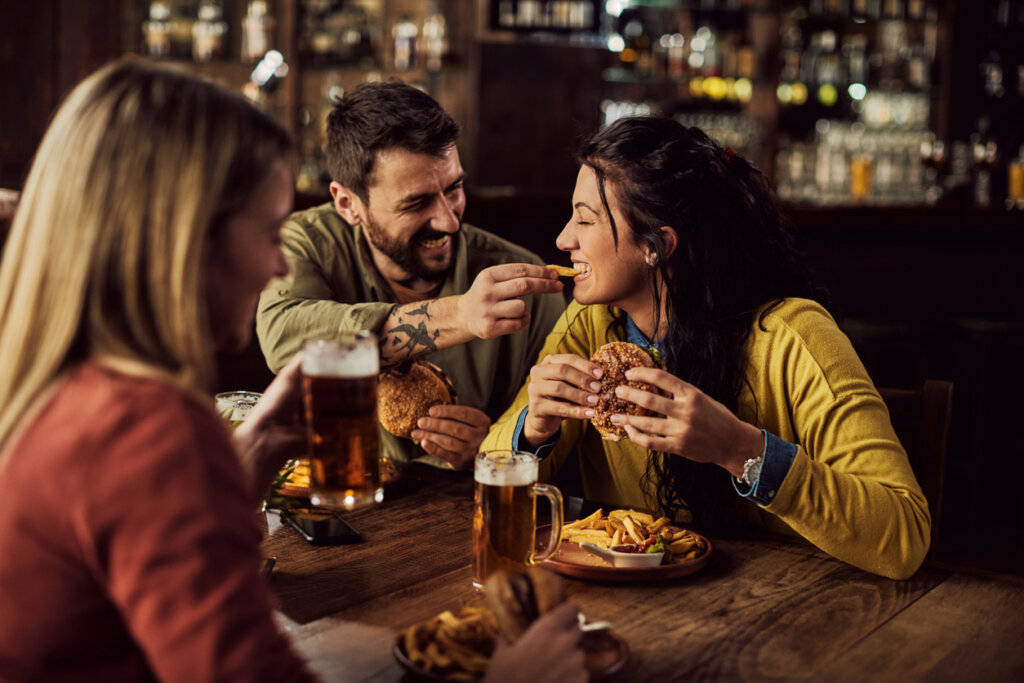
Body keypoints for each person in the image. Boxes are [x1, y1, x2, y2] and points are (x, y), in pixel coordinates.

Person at [0, 59, 586, 683]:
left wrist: (248, 461)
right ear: (186, 241)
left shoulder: (55, 391)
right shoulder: (149, 430)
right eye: (264, 230)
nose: (275, 265)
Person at [483, 116, 931, 580]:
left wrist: (740, 448)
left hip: (793, 606)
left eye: (585, 219)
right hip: (640, 607)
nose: (563, 240)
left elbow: (904, 536)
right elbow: (489, 473)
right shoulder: (590, 324)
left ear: (657, 245)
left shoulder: (796, 337)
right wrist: (533, 429)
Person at [256, 81, 565, 471]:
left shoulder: (526, 289)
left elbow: (561, 454)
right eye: (416, 203)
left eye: (454, 189)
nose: (449, 221)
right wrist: (461, 315)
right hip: (332, 507)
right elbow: (283, 340)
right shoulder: (308, 244)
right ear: (348, 204)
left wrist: (490, 452)